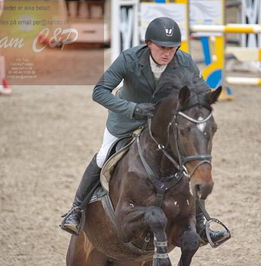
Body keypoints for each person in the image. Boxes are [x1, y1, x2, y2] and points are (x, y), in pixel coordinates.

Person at [60, 17, 229, 246]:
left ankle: (201, 223)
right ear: (149, 43)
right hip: (126, 122)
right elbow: (99, 91)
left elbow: (199, 93)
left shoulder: (185, 61)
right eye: (162, 47)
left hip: (164, 128)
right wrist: (133, 108)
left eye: (172, 48)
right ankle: (76, 210)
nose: (167, 53)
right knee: (103, 156)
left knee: (189, 163)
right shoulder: (129, 59)